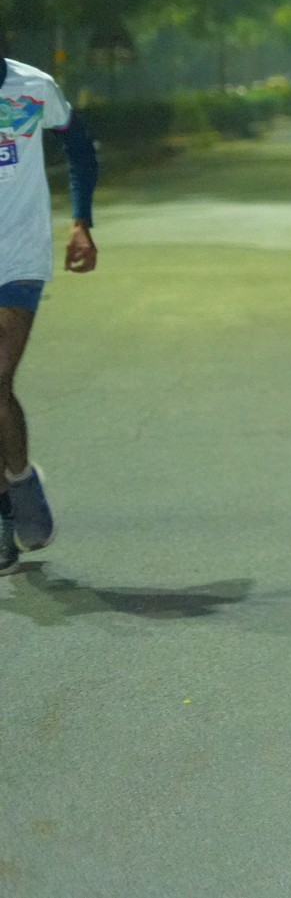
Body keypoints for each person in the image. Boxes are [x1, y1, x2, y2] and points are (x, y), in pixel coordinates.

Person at [0, 43, 100, 575]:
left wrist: (81, 221)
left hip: (18, 257)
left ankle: (17, 482)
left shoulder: (33, 87)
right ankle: (8, 501)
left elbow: (79, 147)